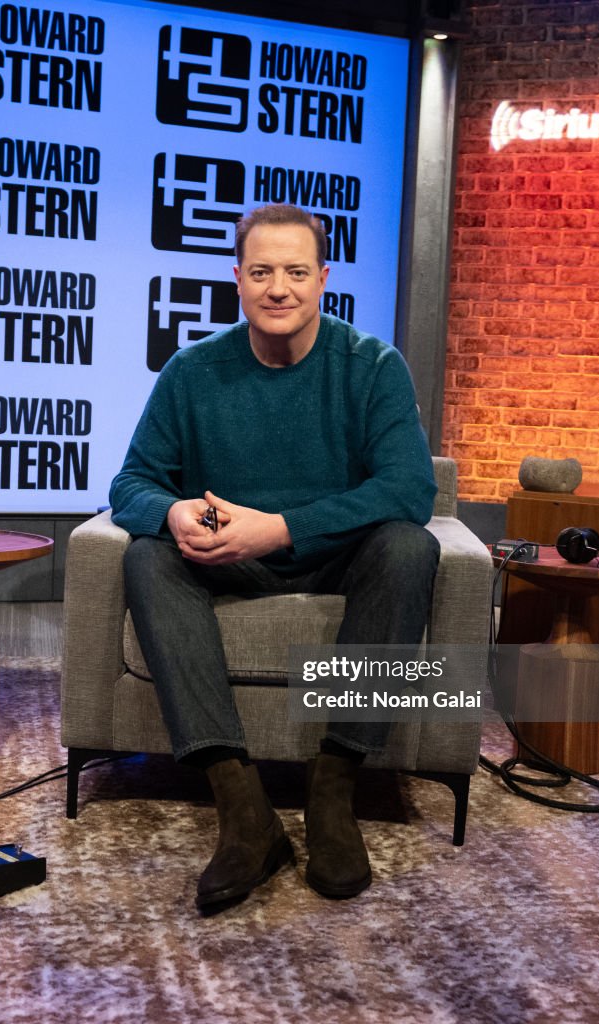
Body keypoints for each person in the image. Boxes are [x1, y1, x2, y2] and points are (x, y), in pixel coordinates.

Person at [110, 203, 439, 909]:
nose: (278, 288)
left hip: (334, 557)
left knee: (409, 545)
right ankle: (243, 810)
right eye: (261, 272)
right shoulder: (192, 371)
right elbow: (130, 483)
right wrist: (169, 510)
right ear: (238, 279)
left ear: (323, 279)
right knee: (146, 555)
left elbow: (411, 488)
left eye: (295, 271)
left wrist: (281, 527)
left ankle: (332, 792)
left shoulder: (372, 366)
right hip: (230, 558)